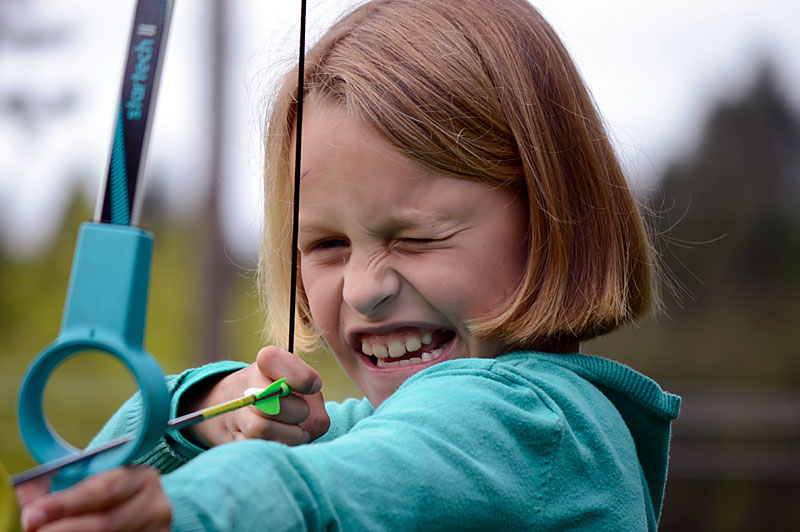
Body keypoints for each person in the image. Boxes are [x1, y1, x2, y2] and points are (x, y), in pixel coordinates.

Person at [16, 0, 681, 530]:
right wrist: (213, 414)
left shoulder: (540, 429)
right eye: (328, 246)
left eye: (416, 238)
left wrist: (182, 513)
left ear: (551, 216)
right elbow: (104, 461)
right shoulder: (374, 435)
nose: (365, 289)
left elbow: (310, 493)